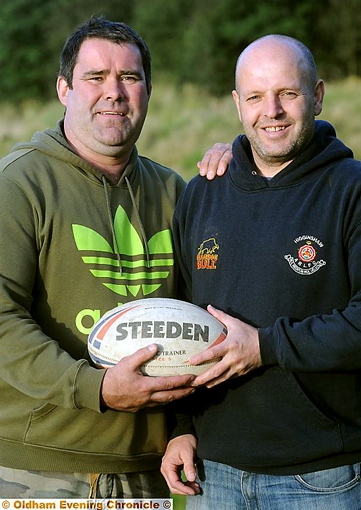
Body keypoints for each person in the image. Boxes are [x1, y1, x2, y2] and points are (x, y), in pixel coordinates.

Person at [0, 16, 231, 499]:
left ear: (147, 90)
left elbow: (209, 316)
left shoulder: (177, 192)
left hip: (146, 471)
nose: (115, 92)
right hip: (37, 471)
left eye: (130, 77)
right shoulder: (18, 184)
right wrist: (96, 388)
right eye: (95, 77)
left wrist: (186, 426)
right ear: (64, 88)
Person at [161, 34, 361, 509]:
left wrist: (265, 346)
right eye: (254, 96)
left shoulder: (350, 191)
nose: (270, 111)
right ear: (237, 103)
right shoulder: (203, 193)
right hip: (215, 473)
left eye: (287, 93)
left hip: (322, 476)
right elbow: (183, 320)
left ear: (316, 95)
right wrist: (183, 428)